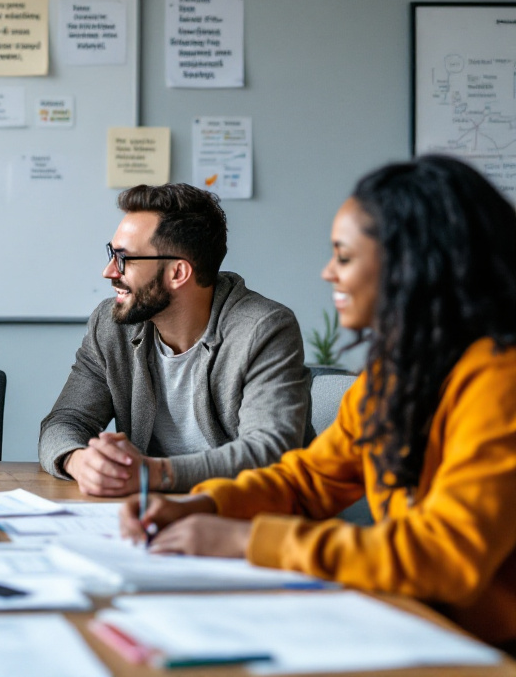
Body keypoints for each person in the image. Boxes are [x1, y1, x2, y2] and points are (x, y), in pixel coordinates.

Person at [123, 156, 516, 648]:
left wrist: (246, 541)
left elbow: (445, 557)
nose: (328, 272)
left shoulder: (501, 380)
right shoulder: (397, 376)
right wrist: (207, 505)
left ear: (413, 264)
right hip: (420, 624)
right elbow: (309, 480)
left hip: (488, 648)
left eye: (345, 257)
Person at [39, 183, 309, 496]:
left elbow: (268, 452)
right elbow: (64, 421)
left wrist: (152, 473)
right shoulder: (111, 325)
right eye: (112, 253)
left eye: (124, 258)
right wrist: (78, 460)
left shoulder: (263, 329)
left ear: (178, 273)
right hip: (149, 517)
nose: (108, 271)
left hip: (243, 517)